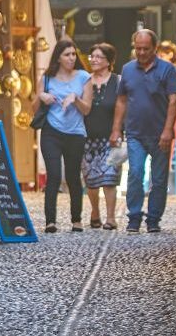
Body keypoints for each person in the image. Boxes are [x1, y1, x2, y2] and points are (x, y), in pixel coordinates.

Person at [110, 30, 176, 233]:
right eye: (138, 48)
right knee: (135, 173)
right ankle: (133, 217)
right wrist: (116, 129)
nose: (141, 52)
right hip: (134, 133)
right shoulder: (127, 69)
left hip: (160, 133)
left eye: (145, 49)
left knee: (159, 179)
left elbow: (173, 101)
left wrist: (168, 130)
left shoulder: (167, 70)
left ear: (155, 48)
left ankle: (153, 219)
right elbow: (122, 100)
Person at [37, 40, 94, 233]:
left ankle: (76, 219)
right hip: (51, 131)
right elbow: (33, 107)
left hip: (75, 132)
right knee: (53, 175)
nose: (71, 58)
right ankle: (50, 221)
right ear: (58, 58)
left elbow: (87, 110)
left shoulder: (84, 77)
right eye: (67, 54)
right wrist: (41, 97)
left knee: (72, 176)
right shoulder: (47, 78)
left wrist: (75, 98)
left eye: (73, 54)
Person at [81, 43, 122, 231]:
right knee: (91, 179)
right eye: (92, 56)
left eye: (98, 57)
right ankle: (95, 212)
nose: (94, 60)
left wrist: (120, 130)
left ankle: (111, 217)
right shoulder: (85, 81)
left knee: (110, 178)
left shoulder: (117, 81)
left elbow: (123, 107)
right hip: (88, 137)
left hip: (110, 137)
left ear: (108, 61)